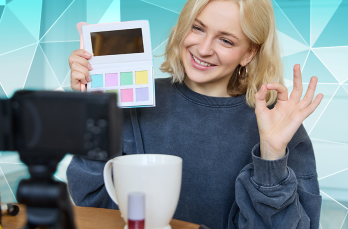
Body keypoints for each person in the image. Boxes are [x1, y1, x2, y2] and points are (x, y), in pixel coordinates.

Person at [67, 0, 324, 228]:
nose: (203, 49)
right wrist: (96, 113)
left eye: (226, 40)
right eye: (198, 28)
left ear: (249, 53)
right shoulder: (131, 101)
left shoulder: (278, 125)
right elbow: (92, 202)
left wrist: (272, 157)